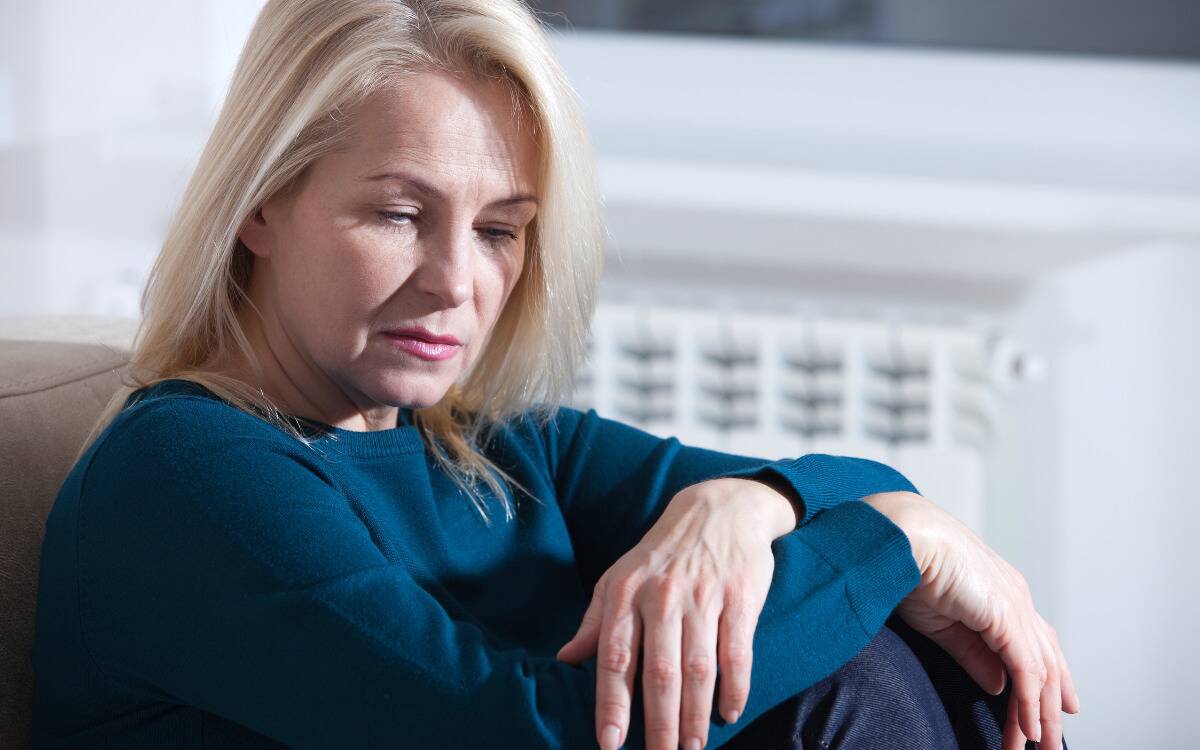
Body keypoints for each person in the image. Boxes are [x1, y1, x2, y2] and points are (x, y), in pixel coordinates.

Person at [30, 1, 1077, 748]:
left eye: (500, 230)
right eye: (398, 214)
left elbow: (858, 500)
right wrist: (905, 537)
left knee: (893, 644)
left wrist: (750, 502)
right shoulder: (185, 473)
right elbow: (531, 733)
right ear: (260, 202)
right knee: (842, 669)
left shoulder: (501, 450)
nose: (455, 283)